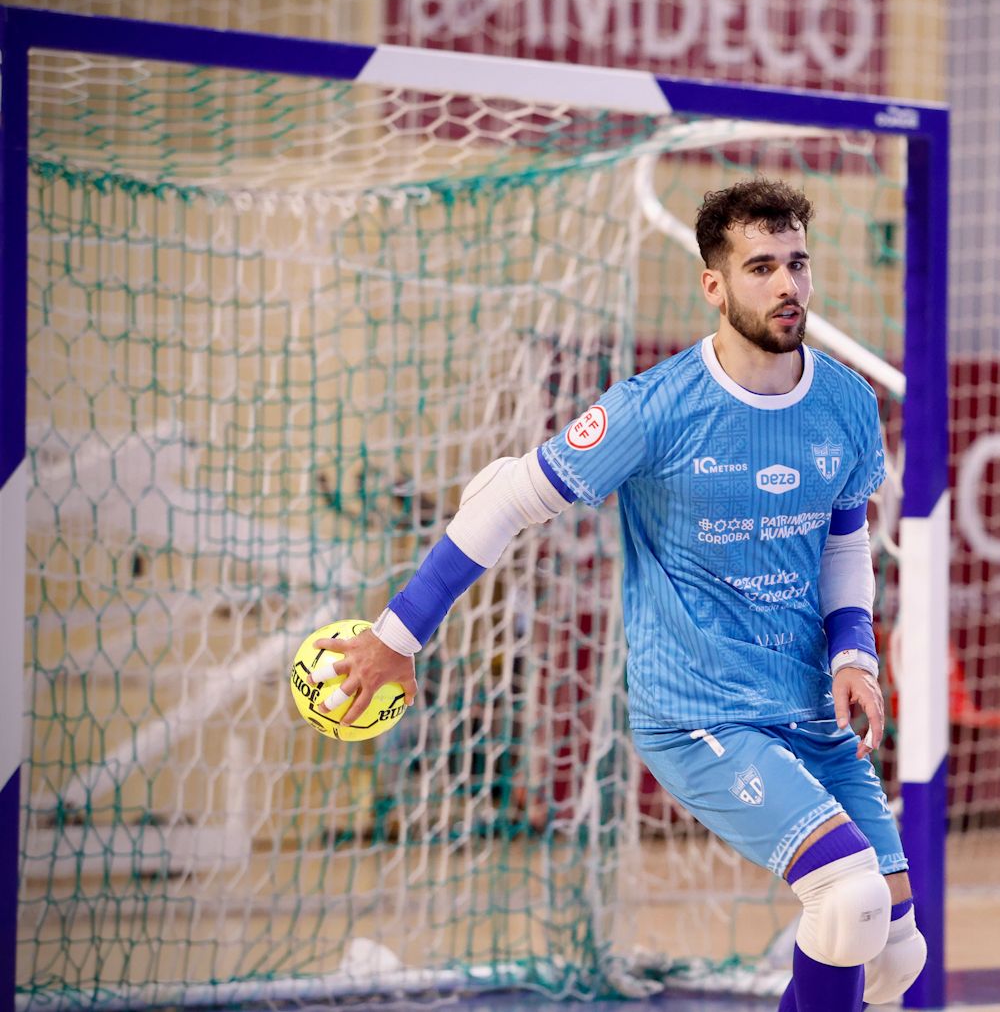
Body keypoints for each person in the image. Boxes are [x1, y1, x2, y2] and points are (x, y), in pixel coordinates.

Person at [313, 177, 926, 1009]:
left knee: (897, 950)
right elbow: (502, 500)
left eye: (797, 263)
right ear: (714, 284)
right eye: (760, 267)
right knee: (846, 897)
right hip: (700, 713)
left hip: (810, 709)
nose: (786, 285)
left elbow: (845, 539)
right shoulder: (656, 409)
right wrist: (396, 636)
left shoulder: (846, 402)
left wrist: (855, 654)